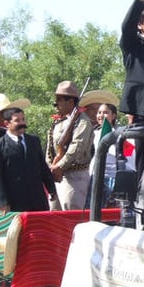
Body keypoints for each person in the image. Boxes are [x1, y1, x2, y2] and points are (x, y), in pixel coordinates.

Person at [0, 107, 58, 213]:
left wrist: (52, 190)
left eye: (23, 119)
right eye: (17, 120)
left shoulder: (34, 141)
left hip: (37, 200)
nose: (22, 123)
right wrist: (3, 203)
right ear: (7, 123)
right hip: (15, 201)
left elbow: (42, 167)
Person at [46, 81, 94, 209]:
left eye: (60, 100)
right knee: (54, 214)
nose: (56, 103)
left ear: (71, 102)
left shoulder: (83, 122)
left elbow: (77, 147)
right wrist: (51, 166)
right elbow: (51, 148)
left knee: (72, 214)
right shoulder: (58, 121)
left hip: (75, 177)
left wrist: (59, 166)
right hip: (56, 174)